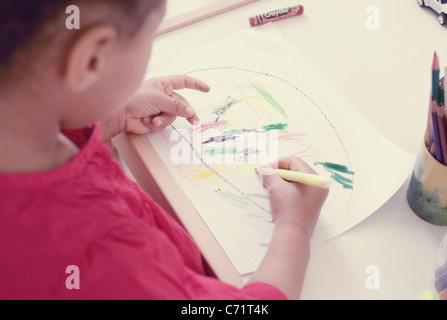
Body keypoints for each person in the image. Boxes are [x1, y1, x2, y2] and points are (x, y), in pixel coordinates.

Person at [0, 0, 328, 300]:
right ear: (91, 60)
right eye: (151, 36)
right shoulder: (110, 258)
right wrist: (295, 227)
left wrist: (114, 113)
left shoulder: (22, 135)